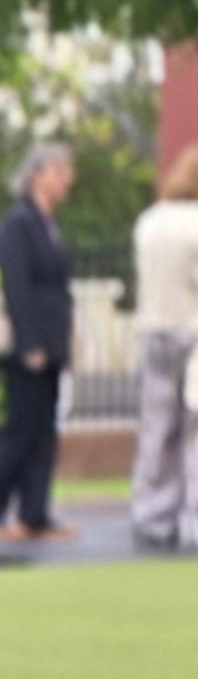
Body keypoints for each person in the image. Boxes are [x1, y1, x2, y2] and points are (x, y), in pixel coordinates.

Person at [0, 137, 79, 544]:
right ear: (36, 175)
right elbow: (16, 285)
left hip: (53, 343)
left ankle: (34, 514)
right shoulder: (18, 223)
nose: (67, 180)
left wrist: (64, 345)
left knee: (44, 431)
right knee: (21, 429)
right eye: (59, 171)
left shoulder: (49, 225)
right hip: (29, 346)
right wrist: (29, 342)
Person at [137, 144, 198, 551]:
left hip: (155, 331)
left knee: (157, 427)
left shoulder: (150, 221)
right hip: (193, 332)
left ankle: (153, 515)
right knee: (194, 430)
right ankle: (193, 520)